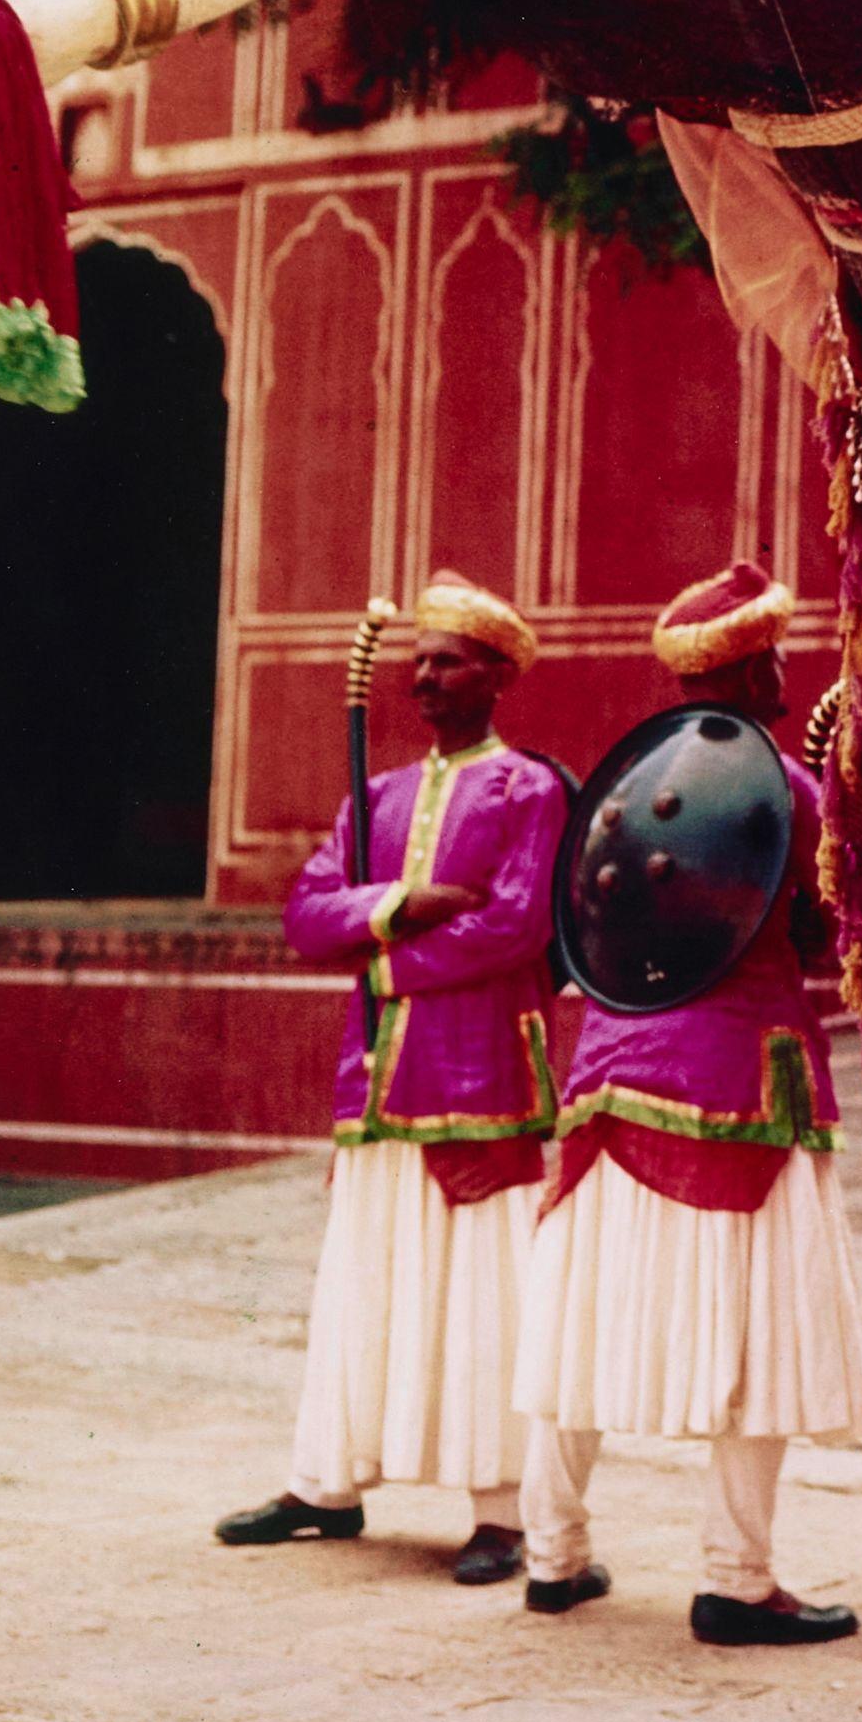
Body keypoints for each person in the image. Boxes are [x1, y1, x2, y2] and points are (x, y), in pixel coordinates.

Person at [514, 561, 862, 1646]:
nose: (783, 668)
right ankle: (736, 1577)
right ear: (755, 665)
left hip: (605, 1083)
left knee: (574, 1329)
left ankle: (552, 1554)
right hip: (736, 1083)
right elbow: (822, 932)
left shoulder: (624, 787)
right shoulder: (789, 787)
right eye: (773, 655)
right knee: (756, 1338)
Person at [216, 570, 566, 1584]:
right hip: (376, 1074)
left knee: (480, 1289)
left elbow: (516, 924)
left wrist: (381, 957)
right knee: (363, 1276)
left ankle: (500, 1508)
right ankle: (326, 1482)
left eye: (445, 660)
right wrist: (405, 903)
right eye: (416, 660)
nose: (423, 677)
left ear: (495, 675)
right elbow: (304, 912)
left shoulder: (527, 788)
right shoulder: (379, 796)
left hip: (481, 1068)